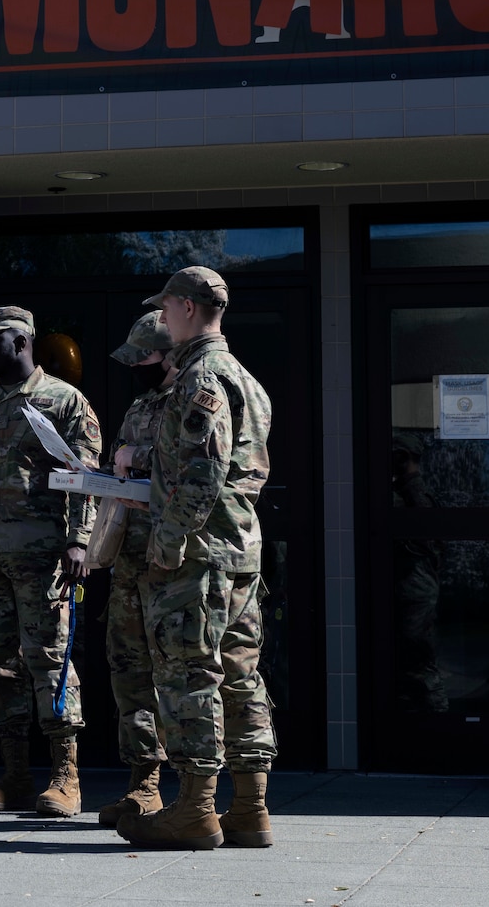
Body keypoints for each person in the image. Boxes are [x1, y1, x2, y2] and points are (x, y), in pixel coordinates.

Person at [117, 267, 277, 852]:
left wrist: (167, 541)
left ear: (185, 307)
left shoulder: (200, 377)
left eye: (164, 308)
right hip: (238, 551)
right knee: (240, 675)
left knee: (189, 675)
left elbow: (202, 472)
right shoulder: (246, 379)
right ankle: (251, 809)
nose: (160, 318)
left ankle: (195, 810)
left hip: (199, 554)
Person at [0, 306, 101, 817]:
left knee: (48, 660)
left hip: (42, 554)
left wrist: (79, 542)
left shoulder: (64, 400)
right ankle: (16, 775)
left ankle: (66, 775)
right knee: (0, 666)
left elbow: (86, 475)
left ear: (22, 340)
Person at [98, 310, 176, 827]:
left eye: (143, 357)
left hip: (171, 560)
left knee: (180, 671)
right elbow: (120, 465)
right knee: (129, 669)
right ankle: (143, 783)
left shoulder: (190, 399)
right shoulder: (140, 404)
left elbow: (199, 461)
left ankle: (200, 789)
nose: (137, 368)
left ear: (168, 355)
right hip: (130, 556)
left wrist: (137, 456)